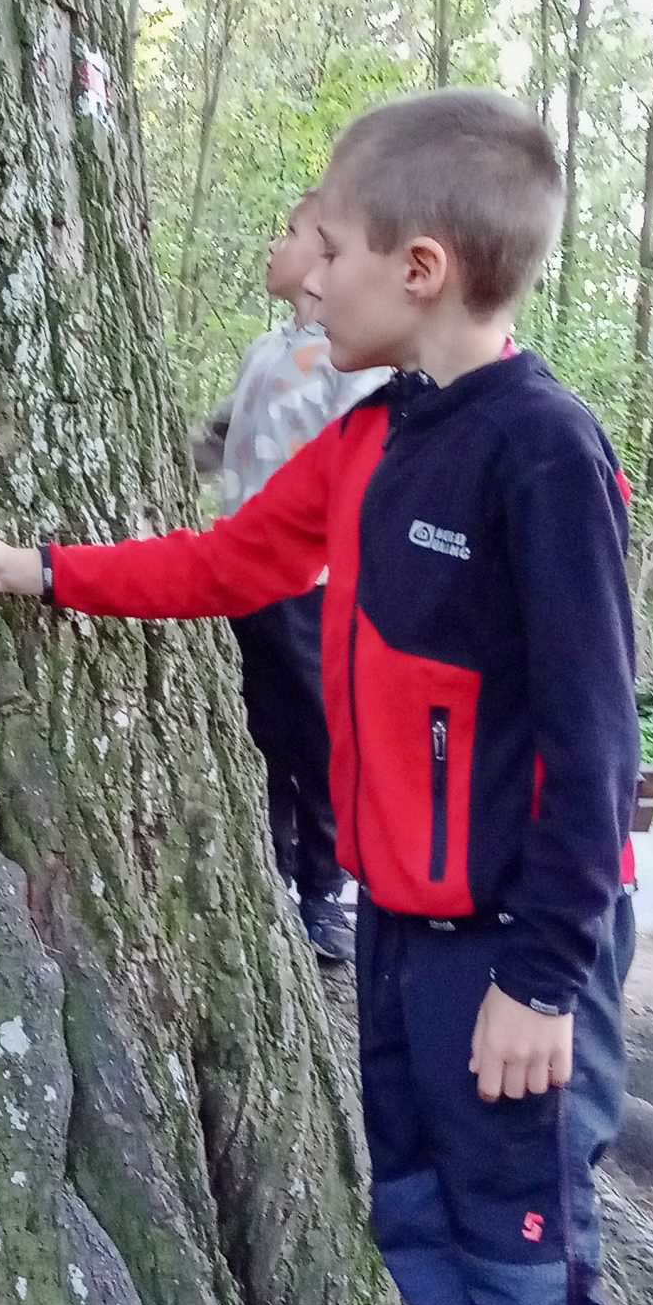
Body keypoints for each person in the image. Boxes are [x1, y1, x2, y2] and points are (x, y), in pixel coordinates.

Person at [0, 87, 638, 1305]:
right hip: (405, 930)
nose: (302, 271)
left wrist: (543, 976)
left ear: (425, 268)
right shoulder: (378, 434)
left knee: (529, 1276)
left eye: (326, 243)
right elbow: (233, 558)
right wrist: (39, 567)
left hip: (520, 954)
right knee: (435, 1239)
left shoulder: (545, 454)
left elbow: (595, 747)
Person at [195, 196, 387, 963]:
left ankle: (323, 892)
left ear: (329, 258)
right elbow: (219, 435)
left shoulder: (352, 364)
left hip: (314, 585)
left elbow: (367, 468)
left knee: (320, 733)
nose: (276, 246)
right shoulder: (265, 350)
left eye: (293, 234)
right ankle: (272, 871)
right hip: (242, 578)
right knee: (261, 727)